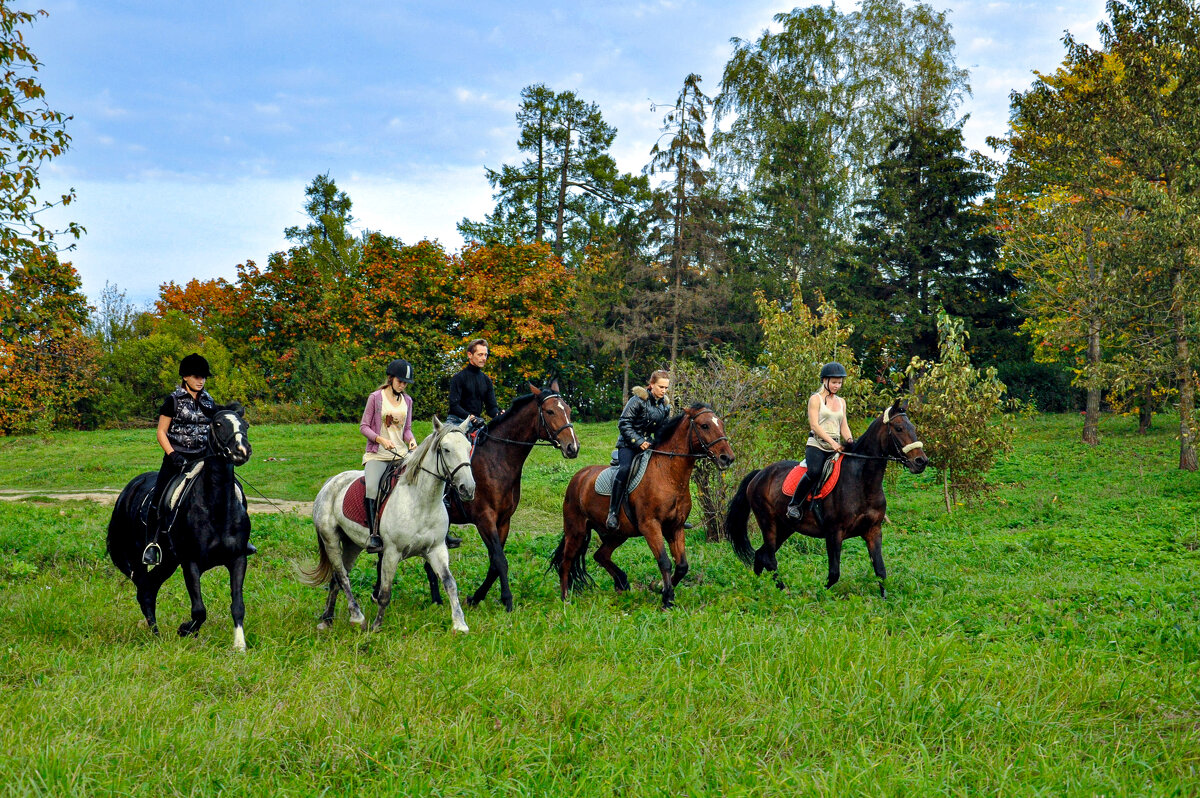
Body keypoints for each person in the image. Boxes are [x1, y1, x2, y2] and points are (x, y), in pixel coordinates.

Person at [144, 353, 256, 564]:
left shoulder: (207, 400)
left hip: (204, 457)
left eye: (203, 377)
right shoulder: (173, 401)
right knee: (159, 497)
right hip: (177, 458)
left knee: (236, 490)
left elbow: (220, 419)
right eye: (196, 376)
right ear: (185, 377)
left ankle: (243, 538)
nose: (201, 380)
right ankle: (153, 543)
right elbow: (161, 432)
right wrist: (173, 454)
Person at [359, 358, 418, 554]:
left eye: (406, 383)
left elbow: (407, 429)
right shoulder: (376, 398)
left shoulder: (408, 401)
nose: (403, 386)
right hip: (377, 455)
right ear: (391, 378)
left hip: (400, 454)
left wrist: (411, 440)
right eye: (400, 381)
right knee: (372, 487)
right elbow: (363, 427)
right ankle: (373, 534)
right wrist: (380, 440)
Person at [786, 361, 854, 522]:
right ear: (825, 380)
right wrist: (833, 443)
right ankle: (794, 505)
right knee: (815, 471)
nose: (837, 386)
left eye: (840, 382)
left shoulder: (842, 402)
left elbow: (843, 425)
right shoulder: (815, 399)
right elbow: (814, 426)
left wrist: (850, 441)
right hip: (817, 445)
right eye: (834, 382)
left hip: (836, 446)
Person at [608, 370, 672, 531]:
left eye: (666, 388)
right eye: (661, 387)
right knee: (625, 469)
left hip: (649, 445)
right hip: (628, 445)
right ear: (651, 384)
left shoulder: (665, 406)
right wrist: (639, 441)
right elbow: (623, 423)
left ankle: (671, 516)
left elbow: (663, 430)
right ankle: (613, 513)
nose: (664, 391)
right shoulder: (637, 400)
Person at [447, 338, 501, 428]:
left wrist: (498, 414)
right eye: (480, 355)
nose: (484, 358)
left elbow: (491, 408)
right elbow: (454, 406)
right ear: (470, 355)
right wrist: (471, 417)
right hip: (456, 421)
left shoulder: (486, 380)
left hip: (476, 423)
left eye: (485, 355)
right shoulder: (458, 378)